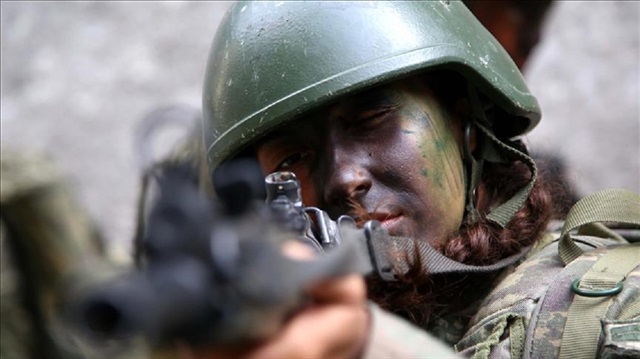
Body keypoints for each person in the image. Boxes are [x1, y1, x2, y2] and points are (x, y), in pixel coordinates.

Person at [181, 1, 638, 358]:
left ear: (468, 127)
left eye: (373, 119)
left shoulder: (608, 311)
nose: (345, 178)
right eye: (294, 157)